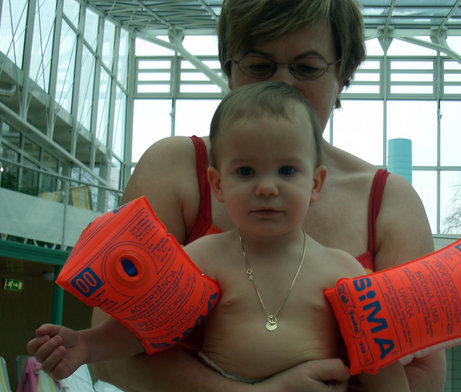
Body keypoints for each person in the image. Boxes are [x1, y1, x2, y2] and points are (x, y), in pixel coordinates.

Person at [91, 0, 447, 391]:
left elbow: (423, 377)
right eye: (259, 66)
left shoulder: (389, 202)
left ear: (343, 73)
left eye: (307, 68)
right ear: (229, 69)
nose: (281, 85)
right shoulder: (174, 168)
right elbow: (112, 355)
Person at [27, 82, 410, 392]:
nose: (266, 187)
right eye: (245, 171)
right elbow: (145, 327)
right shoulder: (203, 256)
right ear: (218, 184)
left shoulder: (342, 270)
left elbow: (380, 361)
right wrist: (87, 345)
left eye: (287, 171)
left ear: (316, 182)